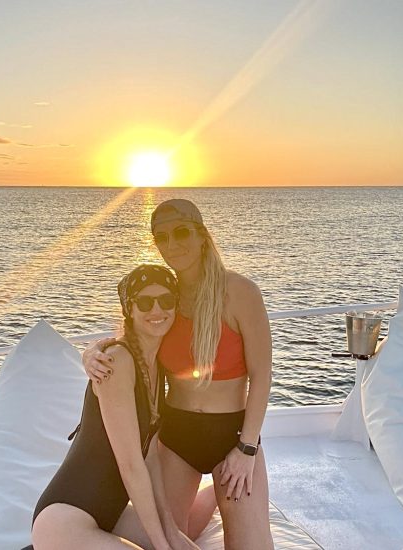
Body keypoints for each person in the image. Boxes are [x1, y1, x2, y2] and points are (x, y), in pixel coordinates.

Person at [84, 199, 274, 550]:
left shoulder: (240, 292)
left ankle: (220, 493)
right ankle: (211, 497)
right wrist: (93, 351)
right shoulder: (165, 297)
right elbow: (132, 339)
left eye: (182, 233)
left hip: (233, 436)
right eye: (162, 237)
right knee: (164, 538)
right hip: (176, 437)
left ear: (202, 235)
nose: (172, 245)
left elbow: (262, 376)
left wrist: (246, 449)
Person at [30, 264, 199, 550]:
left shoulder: (156, 367)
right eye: (145, 302)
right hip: (65, 519)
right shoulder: (116, 361)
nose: (157, 309)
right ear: (129, 309)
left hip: (111, 513)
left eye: (166, 300)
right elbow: (131, 465)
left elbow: (150, 458)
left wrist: (169, 529)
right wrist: (160, 544)